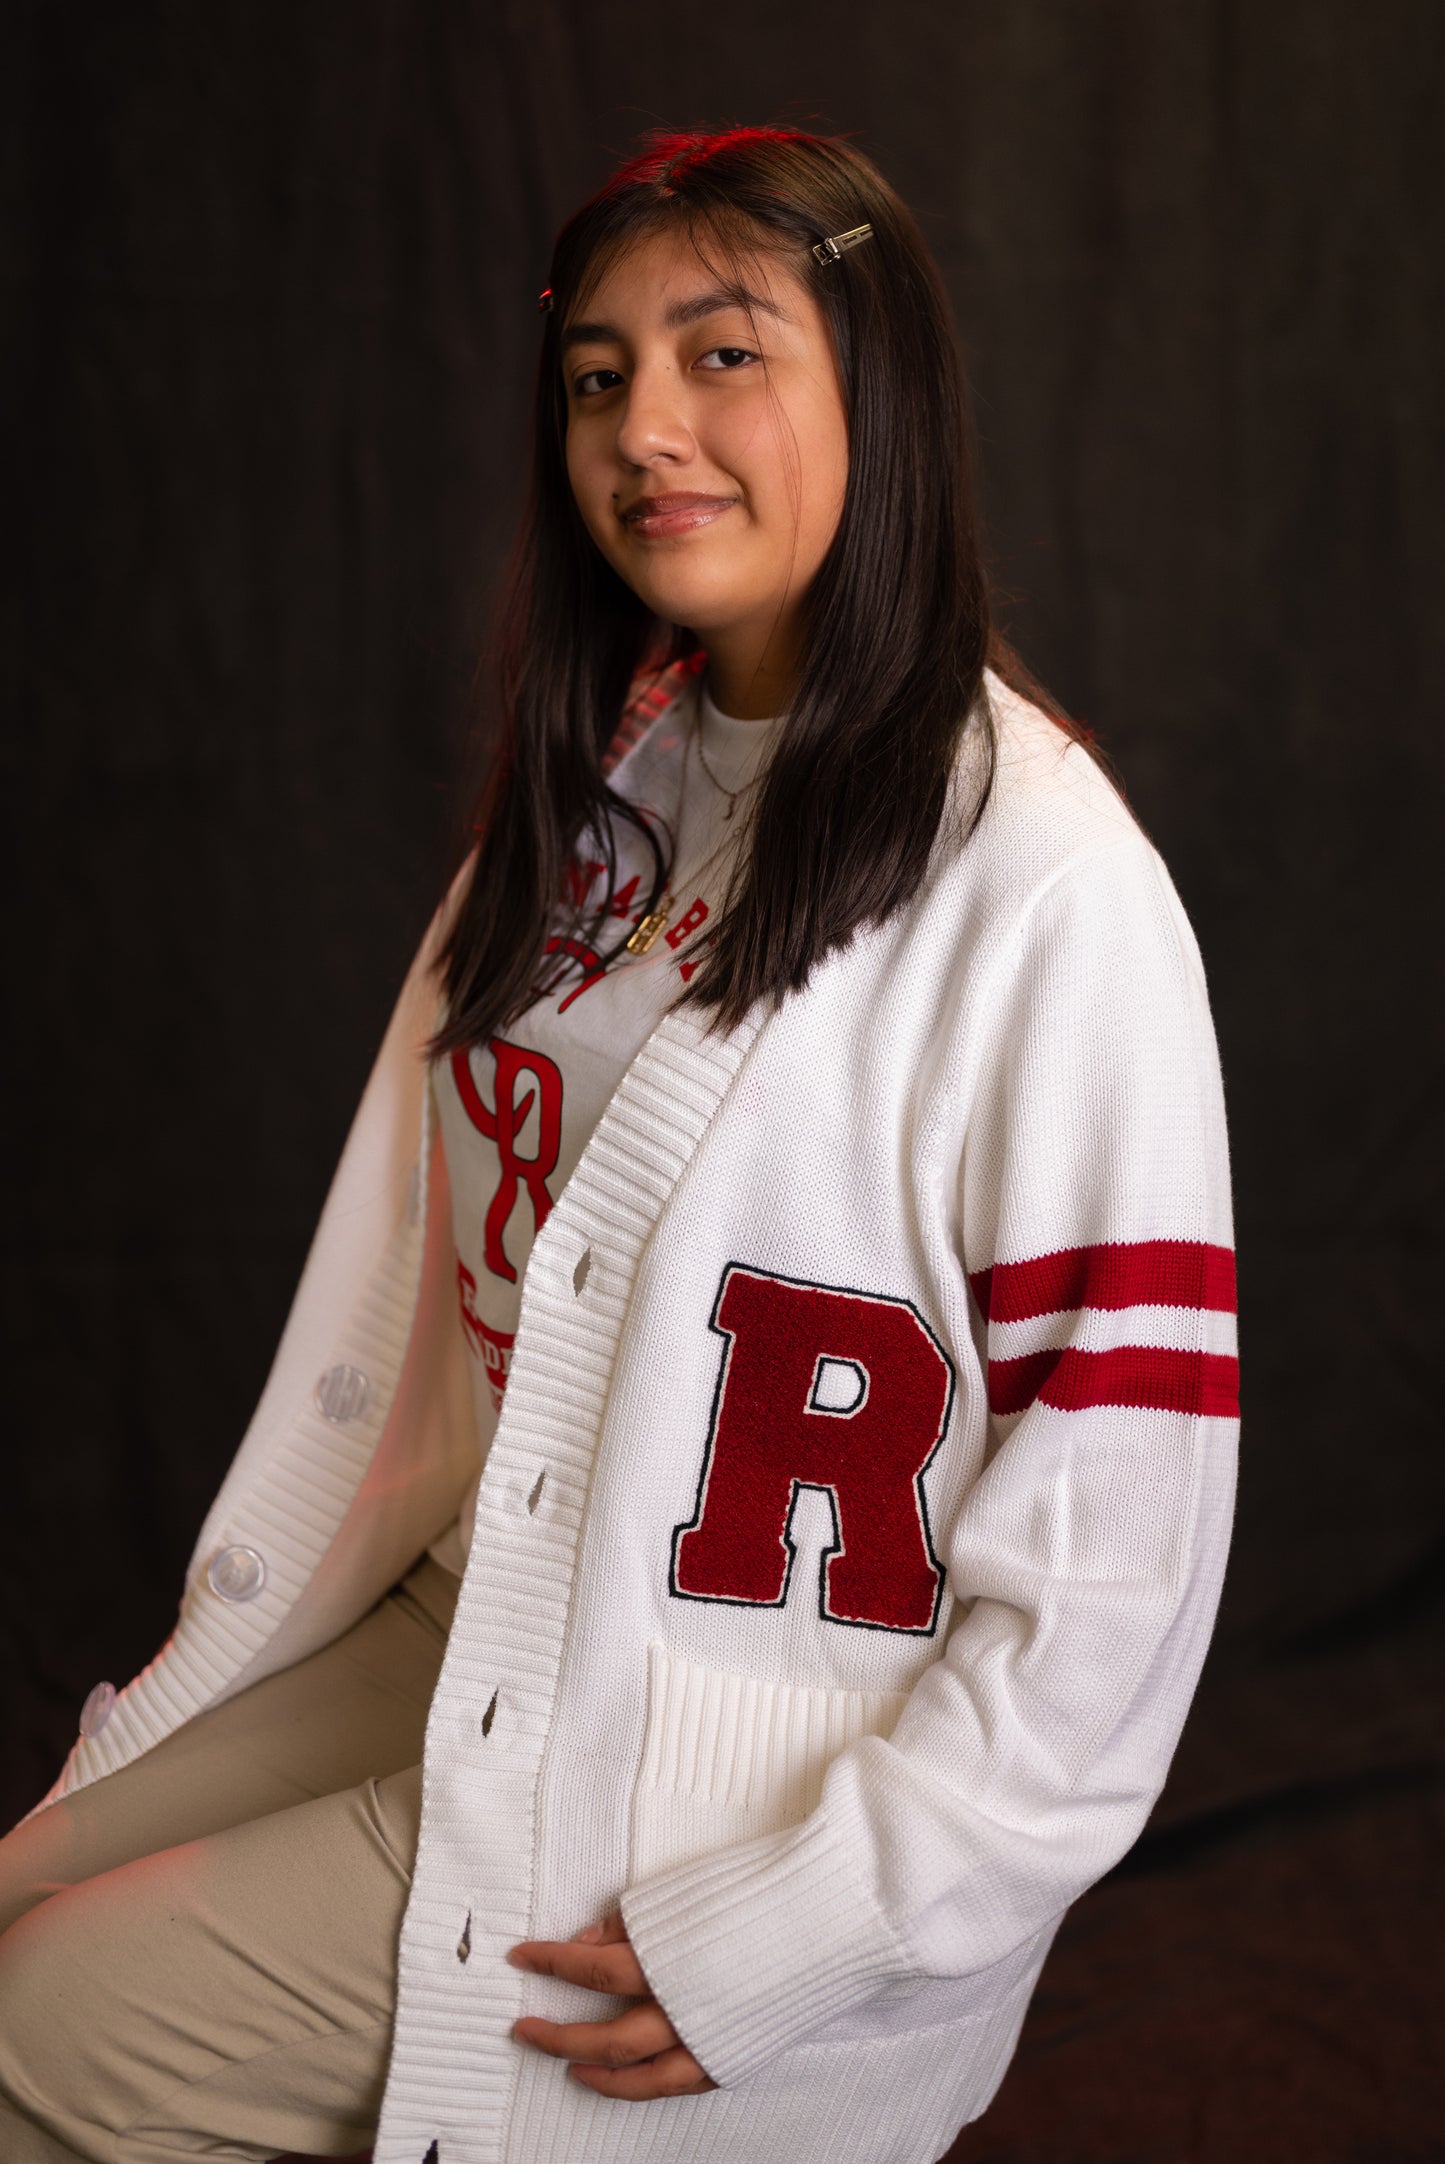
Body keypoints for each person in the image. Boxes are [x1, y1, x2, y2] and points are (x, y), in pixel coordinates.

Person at [0, 125, 1239, 2164]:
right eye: (596, 375)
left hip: (712, 1755)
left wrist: (816, 1919)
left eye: (722, 352)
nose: (646, 426)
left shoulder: (1047, 887)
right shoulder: (608, 799)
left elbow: (1123, 1573)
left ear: (883, 392)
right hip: (480, 1608)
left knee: (52, 2022)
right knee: (31, 1892)